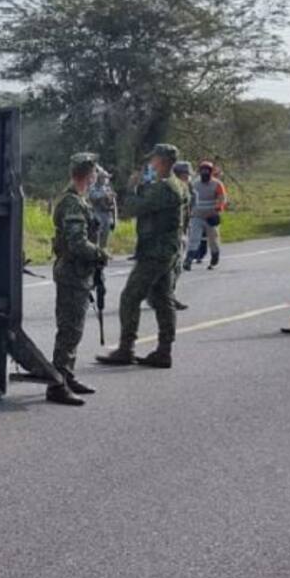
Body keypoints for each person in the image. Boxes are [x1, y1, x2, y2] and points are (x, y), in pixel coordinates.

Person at [95, 143, 187, 369]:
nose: (150, 163)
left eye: (153, 159)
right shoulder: (175, 184)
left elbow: (133, 208)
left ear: (162, 161)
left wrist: (131, 188)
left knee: (130, 297)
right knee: (163, 299)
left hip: (155, 251)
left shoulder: (165, 188)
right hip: (165, 249)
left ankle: (126, 348)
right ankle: (164, 351)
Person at [47, 152, 108, 406]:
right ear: (88, 175)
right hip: (72, 274)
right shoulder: (73, 203)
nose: (95, 177)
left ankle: (67, 376)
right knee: (69, 331)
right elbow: (77, 243)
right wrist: (100, 253)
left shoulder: (78, 200)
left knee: (74, 330)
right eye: (94, 173)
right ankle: (57, 385)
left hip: (78, 273)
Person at [185, 160, 227, 271]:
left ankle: (215, 256)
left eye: (207, 170)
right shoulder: (194, 184)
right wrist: (188, 212)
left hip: (211, 217)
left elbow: (222, 199)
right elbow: (189, 198)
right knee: (194, 238)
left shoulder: (217, 184)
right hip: (197, 216)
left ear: (211, 171)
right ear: (200, 171)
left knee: (213, 240)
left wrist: (218, 209)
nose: (205, 173)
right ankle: (188, 260)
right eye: (203, 170)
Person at [170, 160, 193, 310]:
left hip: (180, 233)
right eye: (187, 174)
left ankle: (167, 296)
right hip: (171, 236)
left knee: (175, 267)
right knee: (174, 267)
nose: (189, 177)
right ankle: (167, 297)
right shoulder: (173, 190)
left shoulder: (185, 188)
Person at [87, 165, 117, 251]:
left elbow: (114, 204)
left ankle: (103, 250)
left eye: (106, 178)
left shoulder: (108, 188)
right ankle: (96, 251)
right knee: (97, 234)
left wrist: (114, 219)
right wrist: (104, 195)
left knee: (105, 235)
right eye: (103, 177)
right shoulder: (93, 187)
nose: (105, 179)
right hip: (97, 213)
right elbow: (92, 196)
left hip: (107, 215)